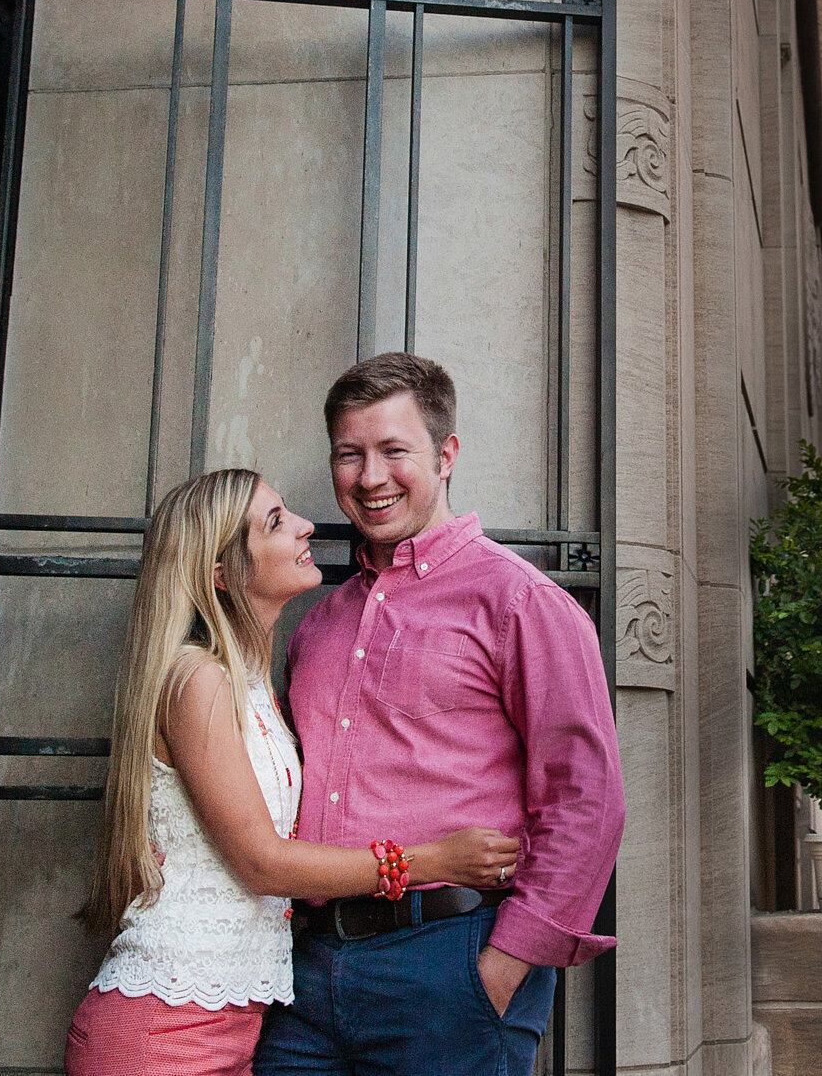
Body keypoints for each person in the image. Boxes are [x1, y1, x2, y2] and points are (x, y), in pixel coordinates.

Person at [70, 466, 521, 1075]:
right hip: (164, 1026)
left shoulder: (252, 682)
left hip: (236, 1023)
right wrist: (435, 861)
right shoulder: (196, 679)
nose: (307, 525)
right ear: (221, 574)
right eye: (276, 522)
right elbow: (261, 862)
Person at [256, 354, 626, 1076]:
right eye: (349, 453)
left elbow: (586, 800)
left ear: (446, 454)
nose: (370, 477)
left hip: (448, 964)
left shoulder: (520, 602)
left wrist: (501, 966)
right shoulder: (318, 622)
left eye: (394, 450)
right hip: (304, 972)